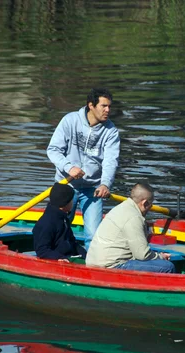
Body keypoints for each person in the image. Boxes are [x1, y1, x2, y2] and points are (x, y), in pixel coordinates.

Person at [47, 88, 120, 250]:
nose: (108, 110)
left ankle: (91, 267)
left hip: (92, 190)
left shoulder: (111, 131)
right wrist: (69, 167)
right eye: (104, 106)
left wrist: (105, 184)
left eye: (109, 106)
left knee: (94, 236)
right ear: (91, 106)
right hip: (66, 185)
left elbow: (110, 160)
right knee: (57, 229)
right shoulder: (70, 120)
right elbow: (53, 150)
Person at [86, 183, 175, 273]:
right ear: (145, 203)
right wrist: (161, 256)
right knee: (167, 267)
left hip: (94, 262)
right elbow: (142, 254)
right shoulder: (134, 217)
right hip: (110, 266)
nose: (151, 208)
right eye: (150, 205)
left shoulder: (122, 207)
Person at [32, 182, 87, 261]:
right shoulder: (47, 223)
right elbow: (42, 250)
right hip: (57, 262)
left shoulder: (63, 218)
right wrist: (59, 258)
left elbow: (72, 242)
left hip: (68, 257)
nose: (73, 203)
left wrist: (85, 255)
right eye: (71, 200)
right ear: (65, 203)